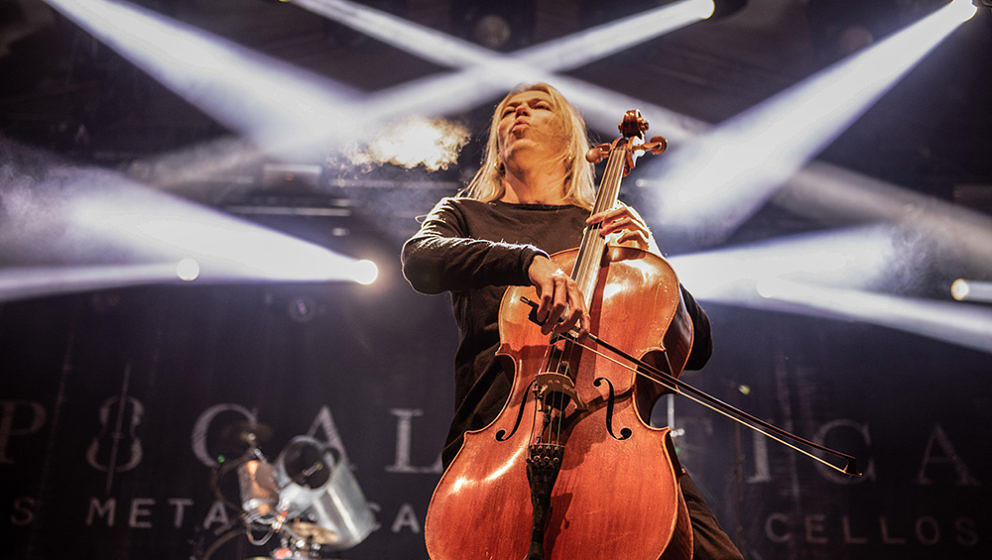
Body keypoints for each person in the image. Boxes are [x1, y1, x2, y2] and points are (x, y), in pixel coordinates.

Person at [401, 82, 743, 560]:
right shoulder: (464, 215)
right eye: (508, 111)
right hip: (499, 444)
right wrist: (530, 263)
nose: (517, 114)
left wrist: (653, 261)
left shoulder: (604, 228)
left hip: (608, 445)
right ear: (497, 146)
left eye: (537, 107)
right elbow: (420, 259)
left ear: (571, 144)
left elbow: (697, 347)